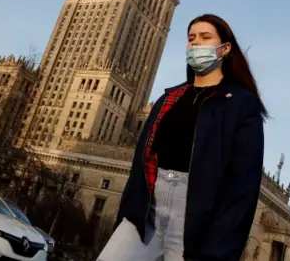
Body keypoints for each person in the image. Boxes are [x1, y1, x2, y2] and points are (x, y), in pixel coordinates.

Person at [98, 14, 268, 261]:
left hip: (196, 219)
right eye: (191, 38)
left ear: (225, 49)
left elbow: (242, 185)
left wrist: (219, 250)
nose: (196, 43)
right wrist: (129, 212)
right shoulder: (169, 99)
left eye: (205, 37)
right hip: (147, 213)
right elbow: (141, 163)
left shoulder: (241, 104)